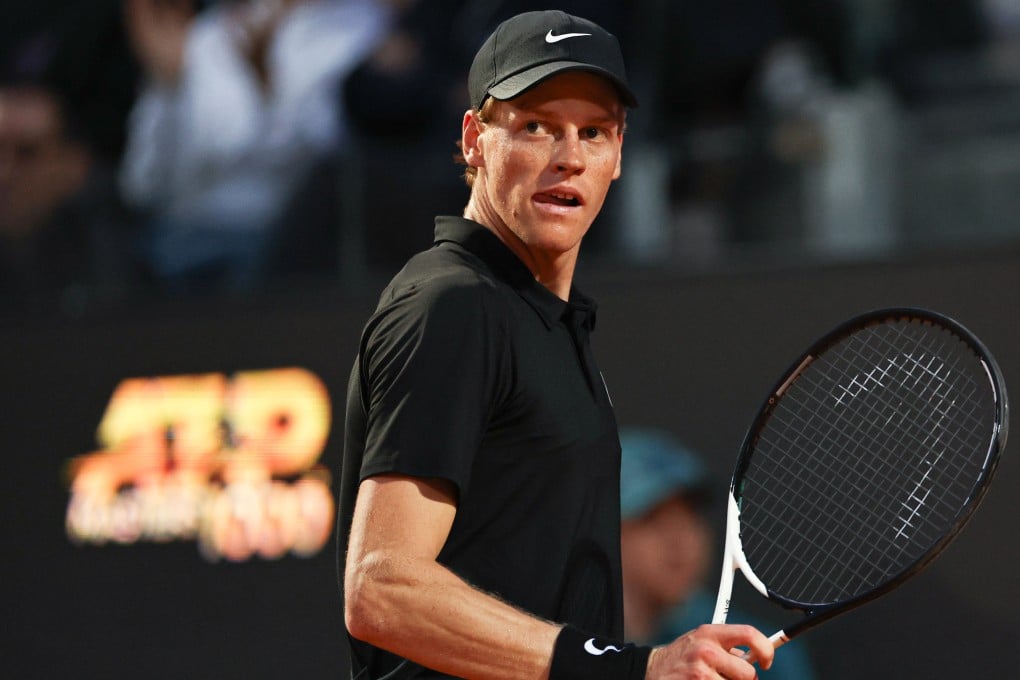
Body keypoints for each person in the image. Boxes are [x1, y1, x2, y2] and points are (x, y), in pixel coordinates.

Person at [337, 10, 775, 679]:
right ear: (474, 139)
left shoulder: (544, 319)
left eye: (593, 131)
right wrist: (629, 670)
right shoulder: (453, 305)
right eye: (536, 125)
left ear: (619, 153)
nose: (568, 155)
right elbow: (381, 588)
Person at [619, 427, 818, 680]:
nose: (679, 541)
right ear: (607, 532)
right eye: (652, 519)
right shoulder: (560, 645)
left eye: (690, 517)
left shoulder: (767, 658)